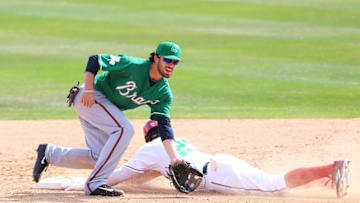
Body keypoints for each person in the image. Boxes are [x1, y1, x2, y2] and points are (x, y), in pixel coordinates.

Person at [33, 120, 351, 198]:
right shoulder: (176, 145)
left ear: (147, 136)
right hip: (221, 163)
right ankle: (326, 173)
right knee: (269, 181)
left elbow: (113, 179)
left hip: (217, 173)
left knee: (273, 186)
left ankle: (331, 168)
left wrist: (80, 183)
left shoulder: (149, 151)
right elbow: (146, 177)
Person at [32, 41, 184, 196]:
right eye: (168, 60)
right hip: (91, 98)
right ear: (157, 58)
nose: (171, 64)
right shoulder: (133, 65)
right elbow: (94, 60)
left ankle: (49, 153)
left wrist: (174, 157)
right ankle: (95, 184)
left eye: (175, 61)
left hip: (104, 109)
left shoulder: (163, 93)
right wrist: (89, 90)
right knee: (125, 129)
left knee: (100, 156)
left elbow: (164, 125)